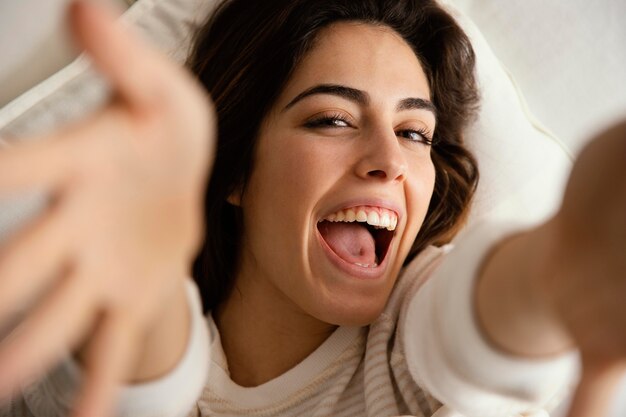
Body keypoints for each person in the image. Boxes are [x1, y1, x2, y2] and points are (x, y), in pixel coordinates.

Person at [0, 1, 624, 416]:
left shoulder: (406, 358)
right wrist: (144, 277)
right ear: (236, 170)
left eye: (415, 133)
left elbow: (477, 325)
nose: (389, 159)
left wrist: (560, 263)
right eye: (333, 119)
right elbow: (141, 375)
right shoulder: (140, 350)